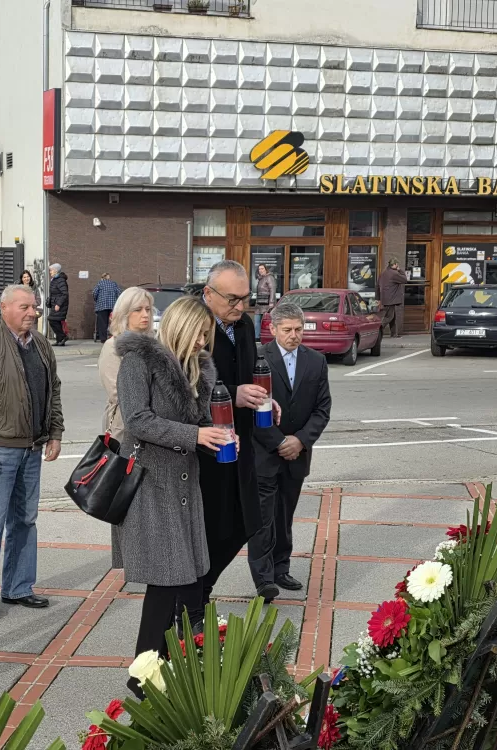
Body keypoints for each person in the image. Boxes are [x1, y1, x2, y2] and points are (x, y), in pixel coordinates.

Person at [114, 296, 232, 697]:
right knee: (168, 581)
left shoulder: (198, 368)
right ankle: (143, 674)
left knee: (186, 579)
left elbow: (204, 419)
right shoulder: (138, 360)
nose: (204, 341)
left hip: (184, 484)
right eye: (200, 333)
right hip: (150, 484)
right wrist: (195, 435)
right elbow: (136, 420)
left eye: (208, 334)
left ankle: (162, 666)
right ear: (181, 328)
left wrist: (221, 427)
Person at [0, 284, 64, 620]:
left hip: (32, 448)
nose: (33, 312)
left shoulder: (40, 344)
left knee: (25, 520)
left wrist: (55, 431)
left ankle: (18, 588)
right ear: (5, 308)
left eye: (35, 307)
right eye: (25, 307)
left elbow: (53, 389)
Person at [198, 260, 269, 605]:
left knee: (244, 523)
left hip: (241, 444)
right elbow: (183, 383)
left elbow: (252, 372)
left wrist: (260, 400)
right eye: (232, 299)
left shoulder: (243, 325)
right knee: (213, 527)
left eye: (246, 298)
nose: (240, 307)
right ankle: (194, 598)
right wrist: (232, 392)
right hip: (205, 447)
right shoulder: (194, 326)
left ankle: (200, 590)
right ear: (208, 294)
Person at [250, 298, 331, 598]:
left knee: (285, 516)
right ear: (273, 329)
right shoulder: (258, 359)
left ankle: (281, 569)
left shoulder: (315, 361)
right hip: (265, 453)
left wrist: (300, 440)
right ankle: (263, 578)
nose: (294, 335)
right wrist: (279, 441)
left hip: (297, 454)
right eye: (287, 330)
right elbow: (253, 409)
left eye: (298, 329)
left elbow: (322, 408)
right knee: (263, 519)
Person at [98, 287, 154, 443]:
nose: (145, 315)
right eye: (138, 310)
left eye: (148, 309)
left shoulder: (153, 344)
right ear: (124, 313)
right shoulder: (113, 345)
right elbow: (116, 392)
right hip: (124, 426)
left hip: (155, 425)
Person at [378, 258, 408, 338]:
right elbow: (405, 280)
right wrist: (400, 270)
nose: (397, 265)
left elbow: (377, 286)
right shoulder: (394, 273)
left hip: (386, 298)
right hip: (391, 299)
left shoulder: (384, 273)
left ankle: (394, 334)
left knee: (392, 316)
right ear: (394, 265)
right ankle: (377, 331)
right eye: (396, 264)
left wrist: (378, 298)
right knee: (389, 317)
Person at [92, 272, 122, 342]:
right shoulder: (114, 284)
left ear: (102, 278)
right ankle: (113, 336)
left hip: (102, 306)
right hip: (112, 306)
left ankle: (103, 339)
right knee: (113, 322)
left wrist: (96, 300)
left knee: (102, 322)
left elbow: (94, 293)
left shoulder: (100, 283)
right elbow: (119, 293)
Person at [47, 263, 69, 346]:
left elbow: (64, 293)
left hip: (60, 306)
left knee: (52, 319)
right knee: (56, 320)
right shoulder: (55, 280)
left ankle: (62, 336)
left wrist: (58, 304)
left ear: (56, 271)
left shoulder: (60, 280)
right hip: (55, 304)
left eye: (51, 270)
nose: (50, 272)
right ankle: (60, 340)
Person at [253, 263, 276, 332]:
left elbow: (273, 289)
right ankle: (257, 337)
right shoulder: (260, 279)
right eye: (259, 269)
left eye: (262, 268)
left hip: (267, 304)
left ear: (266, 269)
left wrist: (271, 303)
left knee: (266, 322)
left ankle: (265, 336)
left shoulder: (269, 277)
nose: (260, 270)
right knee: (257, 320)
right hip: (259, 303)